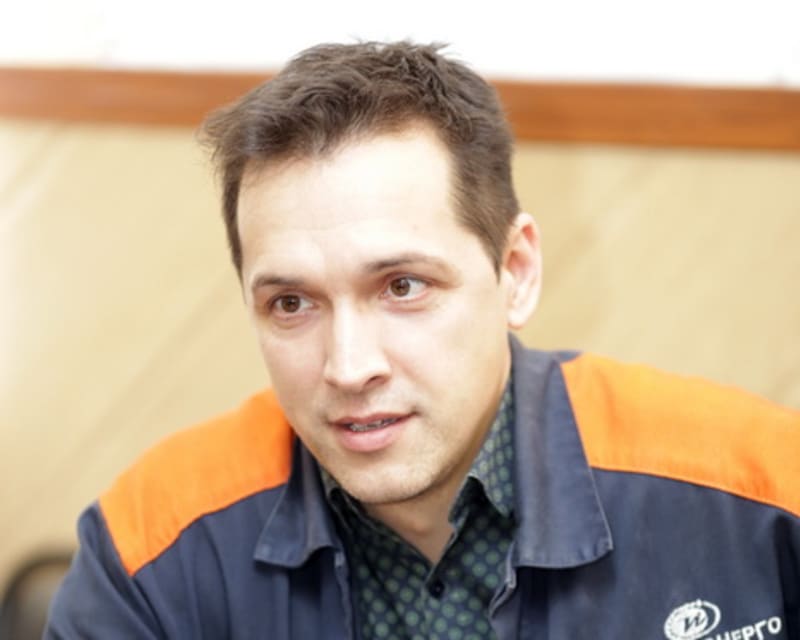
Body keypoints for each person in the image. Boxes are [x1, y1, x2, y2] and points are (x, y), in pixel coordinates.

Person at [46, 41, 799, 640]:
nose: (349, 368)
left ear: (515, 272)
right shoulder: (153, 547)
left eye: (403, 286)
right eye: (292, 303)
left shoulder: (762, 493)